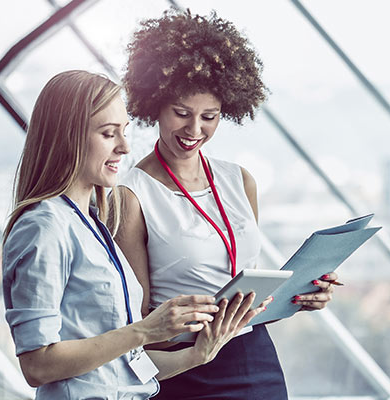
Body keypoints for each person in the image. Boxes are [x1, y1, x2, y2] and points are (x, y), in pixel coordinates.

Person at [113, 9, 340, 399]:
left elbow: (244, 274)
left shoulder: (240, 180)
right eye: (181, 113)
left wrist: (302, 295)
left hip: (255, 355)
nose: (194, 130)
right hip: (186, 364)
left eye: (210, 117)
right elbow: (136, 319)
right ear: (154, 104)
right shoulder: (131, 194)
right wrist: (195, 338)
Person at [2, 70, 263, 399]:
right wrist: (144, 330)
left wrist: (197, 355)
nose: (125, 147)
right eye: (109, 134)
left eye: (124, 131)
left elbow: (124, 365)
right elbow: (37, 365)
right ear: (68, 137)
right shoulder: (44, 227)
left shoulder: (92, 223)